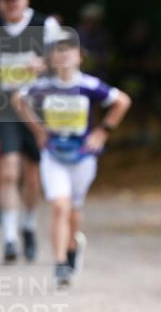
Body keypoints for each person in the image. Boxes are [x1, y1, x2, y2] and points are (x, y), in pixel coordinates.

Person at [14, 29, 131, 288]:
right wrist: (38, 131)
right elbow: (19, 99)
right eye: (59, 51)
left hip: (82, 156)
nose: (64, 56)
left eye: (69, 51)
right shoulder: (44, 86)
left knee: (74, 211)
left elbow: (122, 101)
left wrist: (102, 132)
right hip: (53, 155)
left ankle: (72, 247)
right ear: (52, 58)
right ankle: (59, 265)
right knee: (59, 205)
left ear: (80, 57)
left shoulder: (89, 85)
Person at [0, 0, 62, 262]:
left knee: (32, 174)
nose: (11, 4)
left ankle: (28, 224)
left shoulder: (45, 25)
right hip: (7, 108)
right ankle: (9, 237)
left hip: (39, 107)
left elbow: (64, 58)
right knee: (9, 171)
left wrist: (45, 64)